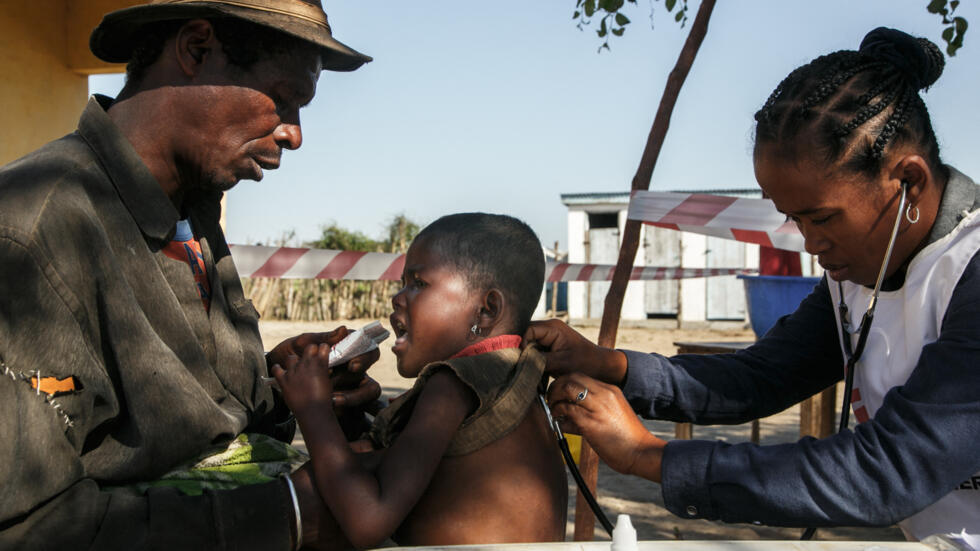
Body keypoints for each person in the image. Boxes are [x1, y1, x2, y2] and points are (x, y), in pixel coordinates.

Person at [529, 27, 980, 542]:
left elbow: (887, 472)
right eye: (794, 220)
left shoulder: (970, 272)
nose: (811, 244)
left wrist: (648, 455)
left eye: (823, 218)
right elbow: (759, 377)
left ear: (910, 182)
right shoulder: (857, 278)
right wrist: (608, 365)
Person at [0, 1, 384, 549]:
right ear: (196, 49)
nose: (295, 134)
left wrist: (288, 387)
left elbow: (203, 425)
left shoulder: (195, 212)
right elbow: (26, 526)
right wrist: (287, 513)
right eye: (284, 98)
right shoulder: (31, 234)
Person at [273, 213, 568, 548]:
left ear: (486, 311)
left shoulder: (451, 386)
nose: (398, 298)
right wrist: (349, 414)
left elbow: (368, 520)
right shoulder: (514, 372)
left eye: (418, 284)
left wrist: (313, 411)